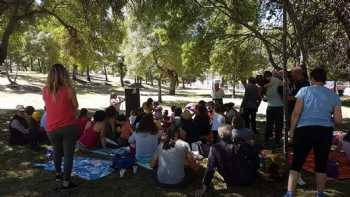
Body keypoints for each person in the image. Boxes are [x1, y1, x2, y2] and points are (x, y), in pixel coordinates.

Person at [285, 68, 343, 197]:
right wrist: (329, 118)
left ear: (311, 78)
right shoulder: (333, 95)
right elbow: (339, 120)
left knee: (297, 163)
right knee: (321, 164)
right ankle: (320, 194)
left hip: (304, 130)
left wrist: (291, 132)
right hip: (324, 132)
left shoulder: (304, 91)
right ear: (324, 79)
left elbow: (296, 113)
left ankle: (289, 193)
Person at [43, 64, 79, 189]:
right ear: (64, 74)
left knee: (57, 151)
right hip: (68, 126)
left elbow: (49, 107)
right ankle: (66, 182)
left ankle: (58, 174)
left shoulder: (45, 89)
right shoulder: (68, 89)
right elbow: (76, 105)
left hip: (51, 128)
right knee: (68, 155)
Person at [197, 125, 259, 196]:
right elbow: (254, 155)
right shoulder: (240, 144)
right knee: (254, 157)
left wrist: (205, 185)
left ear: (220, 135)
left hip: (230, 180)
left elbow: (210, 169)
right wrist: (252, 146)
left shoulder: (214, 148)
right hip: (247, 179)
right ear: (232, 133)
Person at [263, 71, 283, 145]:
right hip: (279, 106)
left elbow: (265, 97)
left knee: (269, 123)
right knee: (278, 124)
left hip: (271, 106)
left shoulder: (267, 84)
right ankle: (277, 139)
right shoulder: (279, 81)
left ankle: (267, 138)